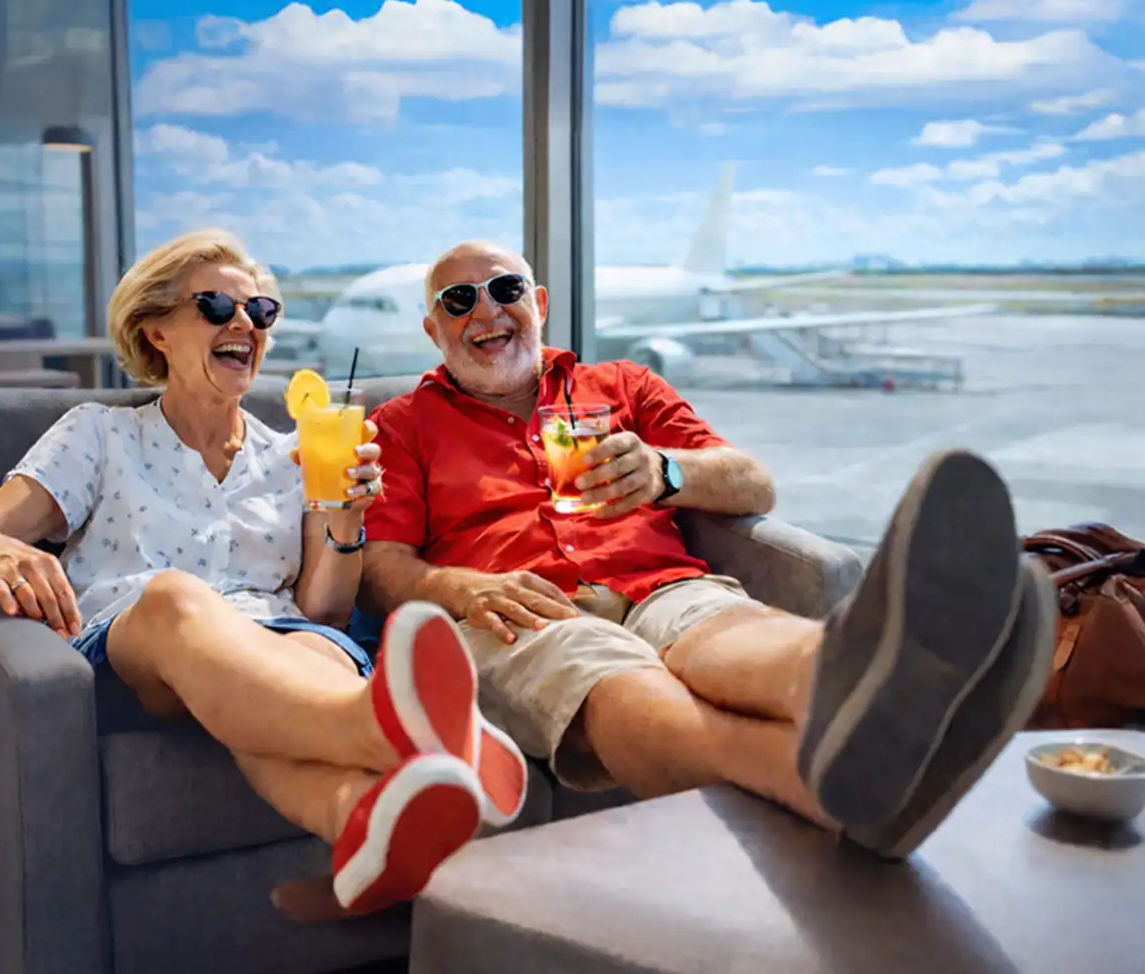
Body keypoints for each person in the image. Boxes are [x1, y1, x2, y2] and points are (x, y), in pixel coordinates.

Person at [359, 240, 1054, 860]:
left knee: (726, 629)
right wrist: (463, 590)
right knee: (612, 678)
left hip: (658, 582)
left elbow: (753, 483)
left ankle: (886, 668)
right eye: (459, 301)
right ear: (433, 328)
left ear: (537, 302)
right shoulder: (402, 425)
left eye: (506, 290)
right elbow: (382, 569)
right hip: (521, 610)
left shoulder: (623, 386)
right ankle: (831, 791)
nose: (488, 313)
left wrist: (667, 472)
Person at [0, 229, 533, 916]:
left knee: (310, 652)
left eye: (261, 311)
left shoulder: (297, 455)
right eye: (218, 307)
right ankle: (392, 728)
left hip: (270, 640)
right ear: (155, 330)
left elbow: (326, 612)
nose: (245, 324)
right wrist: (0, 551)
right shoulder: (98, 433)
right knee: (177, 601)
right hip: (142, 647)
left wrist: (342, 520)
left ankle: (368, 826)